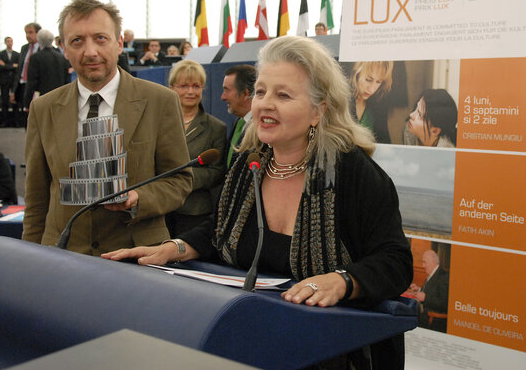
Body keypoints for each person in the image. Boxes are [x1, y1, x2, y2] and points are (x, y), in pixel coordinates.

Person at [103, 36, 413, 368]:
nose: (265, 104)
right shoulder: (249, 164)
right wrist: (174, 248)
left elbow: (395, 262)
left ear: (318, 110)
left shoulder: (354, 173)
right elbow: (222, 229)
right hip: (253, 343)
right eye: (261, 92)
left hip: (333, 351)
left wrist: (342, 280)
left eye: (283, 95)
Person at [22, 0, 192, 255]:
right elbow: (36, 199)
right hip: (61, 256)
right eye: (77, 41)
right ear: (64, 49)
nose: (90, 52)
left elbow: (179, 180)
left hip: (136, 255)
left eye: (100, 38)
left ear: (119, 43)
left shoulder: (160, 101)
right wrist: (29, 259)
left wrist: (139, 199)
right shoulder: (43, 109)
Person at [166, 59, 227, 236]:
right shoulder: (159, 122)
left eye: (196, 86)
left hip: (195, 211)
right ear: (172, 88)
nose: (190, 92)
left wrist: (182, 179)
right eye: (184, 86)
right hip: (160, 207)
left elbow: (216, 172)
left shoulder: (216, 127)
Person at [24, 29, 71, 106]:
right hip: (60, 99)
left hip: (43, 98)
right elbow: (67, 79)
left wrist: (27, 102)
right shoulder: (61, 57)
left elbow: (32, 82)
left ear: (38, 40)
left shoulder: (35, 58)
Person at [221, 64, 255, 170]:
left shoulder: (261, 129)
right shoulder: (239, 122)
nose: (223, 97)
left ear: (245, 93)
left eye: (227, 90)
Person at [349, 61, 393, 143]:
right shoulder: (343, 101)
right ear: (357, 73)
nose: (372, 89)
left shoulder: (378, 106)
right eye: (368, 80)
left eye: (378, 82)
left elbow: (384, 141)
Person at [410, 249, 449, 333]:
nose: (423, 266)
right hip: (424, 318)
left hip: (434, 323)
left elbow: (445, 303)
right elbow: (432, 292)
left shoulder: (444, 276)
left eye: (424, 262)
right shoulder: (431, 275)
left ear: (433, 261)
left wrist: (425, 298)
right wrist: (419, 289)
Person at [11, 22, 41, 125]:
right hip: (23, 84)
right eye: (26, 33)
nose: (28, 35)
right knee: (25, 116)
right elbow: (19, 70)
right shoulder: (24, 48)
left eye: (31, 32)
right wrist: (14, 90)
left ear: (38, 33)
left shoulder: (43, 49)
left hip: (37, 87)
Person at [0, 37, 20, 127]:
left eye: (11, 41)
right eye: (8, 41)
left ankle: (16, 121)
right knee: (4, 101)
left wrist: (6, 65)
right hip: (4, 80)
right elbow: (1, 66)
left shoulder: (17, 54)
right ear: (5, 42)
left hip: (14, 81)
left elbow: (18, 67)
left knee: (15, 101)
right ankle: (4, 121)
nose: (9, 43)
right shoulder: (1, 54)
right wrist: (12, 66)